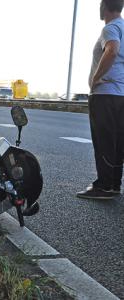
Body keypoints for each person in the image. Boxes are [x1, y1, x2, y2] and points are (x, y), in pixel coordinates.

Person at [77, 0, 124, 200]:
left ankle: (104, 187)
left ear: (104, 7)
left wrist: (95, 79)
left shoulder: (110, 28)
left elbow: (111, 50)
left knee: (104, 141)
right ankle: (114, 184)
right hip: (121, 95)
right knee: (118, 142)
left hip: (105, 95)